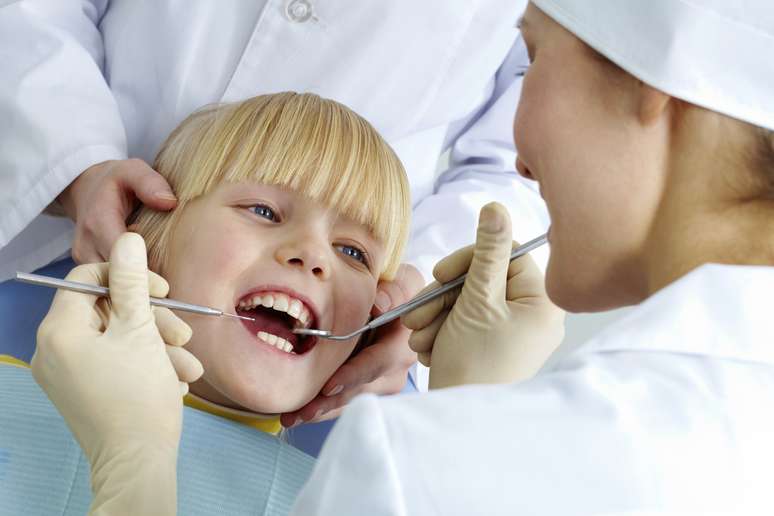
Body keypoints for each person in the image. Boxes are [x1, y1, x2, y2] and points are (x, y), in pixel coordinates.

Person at [29, 0, 774, 514]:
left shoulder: (400, 470)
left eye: (537, 58)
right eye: (262, 211)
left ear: (651, 90)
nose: (515, 155)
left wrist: (132, 464)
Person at [0, 0, 550, 416]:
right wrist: (76, 163)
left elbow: (529, 151)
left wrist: (427, 296)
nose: (311, 257)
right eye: (263, 211)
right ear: (153, 226)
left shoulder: (375, 476)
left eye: (353, 251)